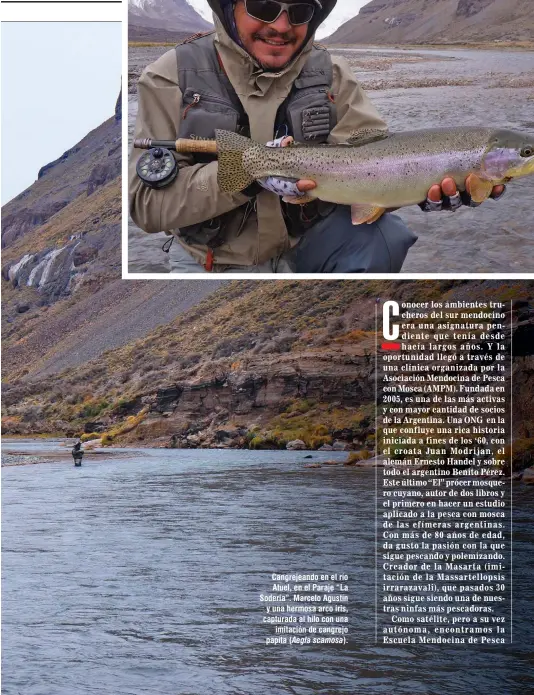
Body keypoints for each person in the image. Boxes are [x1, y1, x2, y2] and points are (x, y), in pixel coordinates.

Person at [129, 0, 505, 273]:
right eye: (263, 6)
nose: (281, 25)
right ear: (230, 6)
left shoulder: (333, 74)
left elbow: (379, 165)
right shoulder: (170, 76)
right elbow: (147, 208)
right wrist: (248, 175)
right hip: (213, 261)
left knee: (386, 236)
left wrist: (423, 191)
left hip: (306, 243)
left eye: (299, 12)